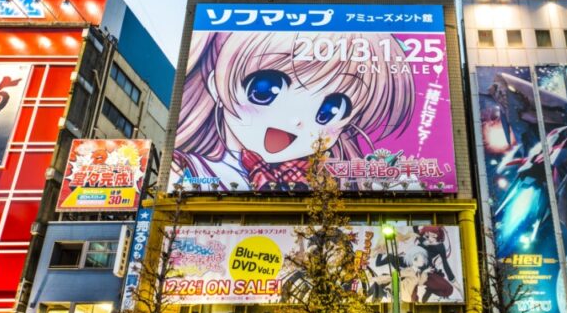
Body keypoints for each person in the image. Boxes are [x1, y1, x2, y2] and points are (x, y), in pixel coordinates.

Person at [170, 29, 415, 192]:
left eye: (329, 111)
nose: (297, 120)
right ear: (215, 85)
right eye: (265, 90)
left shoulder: (330, 183)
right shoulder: (188, 172)